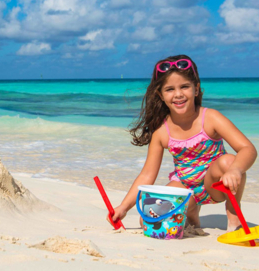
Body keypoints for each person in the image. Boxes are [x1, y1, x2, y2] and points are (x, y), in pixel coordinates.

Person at [109, 55, 257, 231]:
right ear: (160, 95)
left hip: (216, 184)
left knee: (229, 161)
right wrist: (124, 207)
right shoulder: (161, 132)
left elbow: (248, 148)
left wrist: (235, 170)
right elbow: (147, 175)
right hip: (185, 186)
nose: (178, 94)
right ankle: (192, 212)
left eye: (185, 87)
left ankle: (234, 216)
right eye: (170, 89)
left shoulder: (210, 118)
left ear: (196, 89)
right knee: (149, 219)